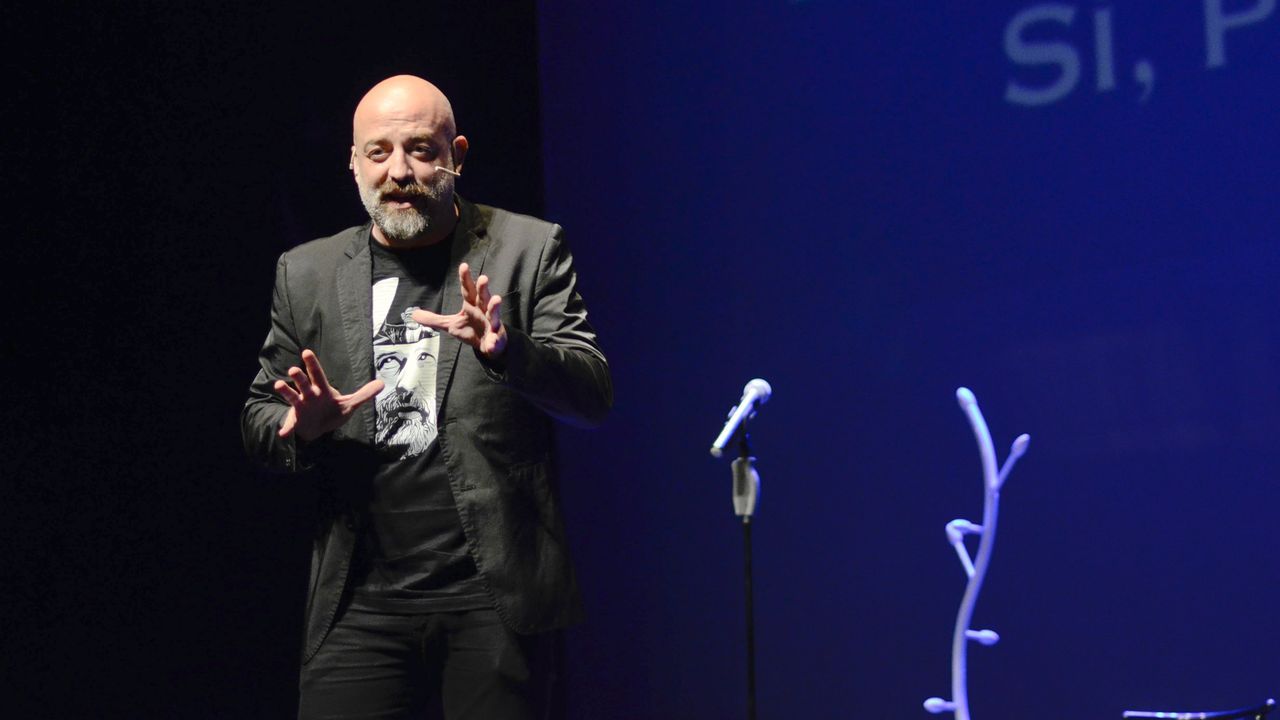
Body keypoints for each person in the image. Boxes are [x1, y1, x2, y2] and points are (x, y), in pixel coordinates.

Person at [241, 75, 611, 720]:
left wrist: (507, 351)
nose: (400, 170)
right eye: (378, 152)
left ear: (457, 156)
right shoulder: (306, 272)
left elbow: (591, 394)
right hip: (360, 602)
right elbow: (257, 419)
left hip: (494, 599)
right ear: (352, 164)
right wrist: (303, 425)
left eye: (421, 149)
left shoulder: (528, 248)